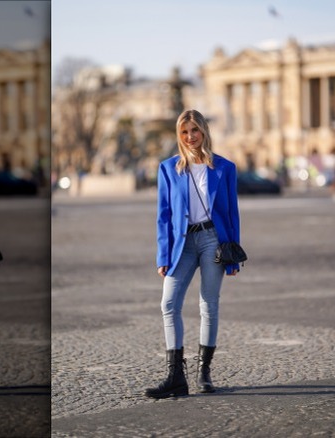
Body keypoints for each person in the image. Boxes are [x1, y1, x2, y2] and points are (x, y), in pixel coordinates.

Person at [145, 109, 241, 399]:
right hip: (182, 243)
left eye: (195, 131)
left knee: (208, 305)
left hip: (214, 239)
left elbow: (232, 212)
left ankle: (204, 373)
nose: (190, 137)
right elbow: (163, 215)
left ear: (204, 132)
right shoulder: (168, 168)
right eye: (184, 132)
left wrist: (233, 253)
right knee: (169, 303)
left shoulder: (224, 168)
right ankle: (175, 377)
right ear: (179, 135)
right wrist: (163, 254)